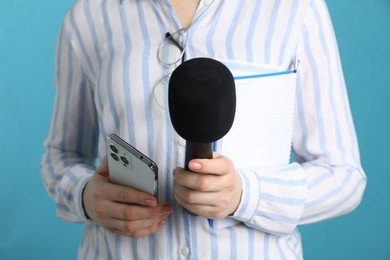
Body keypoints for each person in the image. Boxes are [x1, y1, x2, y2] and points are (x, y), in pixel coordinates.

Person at [41, 0, 367, 259]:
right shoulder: (88, 16)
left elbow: (344, 175)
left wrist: (247, 194)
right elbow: (61, 155)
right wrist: (85, 195)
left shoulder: (294, 8)